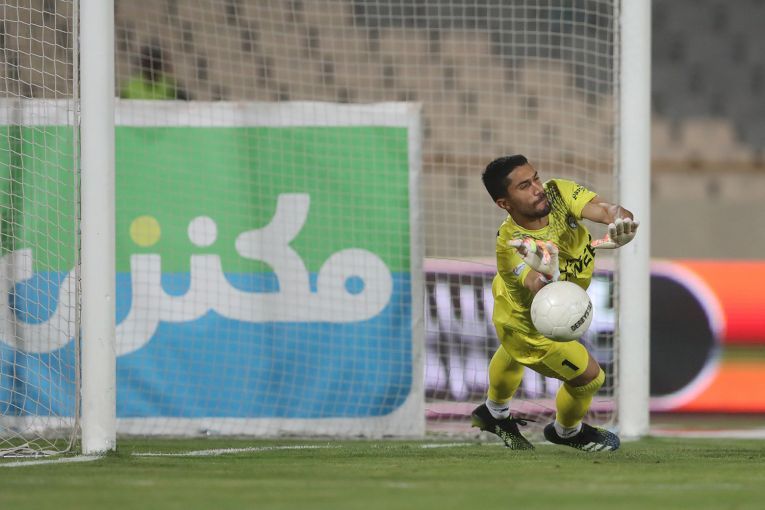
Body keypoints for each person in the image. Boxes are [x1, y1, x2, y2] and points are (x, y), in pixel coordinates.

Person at [471, 154, 639, 452]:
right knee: (590, 378)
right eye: (524, 186)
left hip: (507, 300)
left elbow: (606, 209)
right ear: (504, 203)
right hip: (530, 327)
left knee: (510, 352)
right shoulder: (511, 245)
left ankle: (493, 412)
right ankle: (567, 431)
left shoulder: (557, 193)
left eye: (535, 177)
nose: (538, 188)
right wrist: (547, 276)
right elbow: (535, 285)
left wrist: (622, 222)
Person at [120, 44, 190, 100]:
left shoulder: (170, 86)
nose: (152, 66)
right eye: (148, 62)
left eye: (155, 63)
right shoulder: (131, 86)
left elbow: (187, 103)